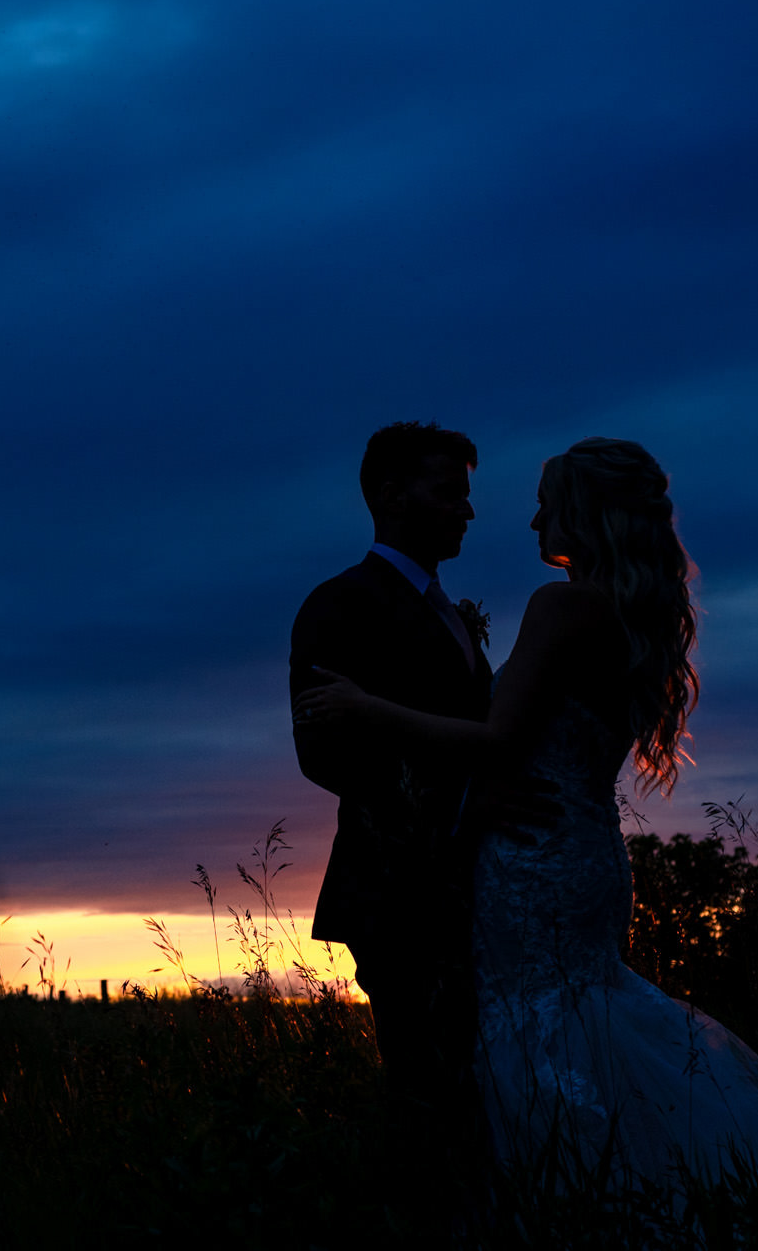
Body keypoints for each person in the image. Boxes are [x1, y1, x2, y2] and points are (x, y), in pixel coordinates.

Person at [294, 436, 758, 1191]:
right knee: (570, 1031)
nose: (516, 515)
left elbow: (497, 736)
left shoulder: (563, 606)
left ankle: (566, 1197)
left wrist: (366, 708)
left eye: (547, 501)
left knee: (538, 1038)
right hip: (567, 856)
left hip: (535, 863)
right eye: (450, 493)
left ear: (585, 511)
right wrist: (465, 800)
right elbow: (326, 755)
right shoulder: (625, 616)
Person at [288, 421, 506, 1202]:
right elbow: (323, 753)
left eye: (466, 494)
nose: (466, 511)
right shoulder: (339, 605)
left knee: (474, 1092)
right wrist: (439, 805)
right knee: (423, 1092)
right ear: (389, 494)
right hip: (395, 888)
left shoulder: (450, 610)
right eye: (449, 492)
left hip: (470, 886)